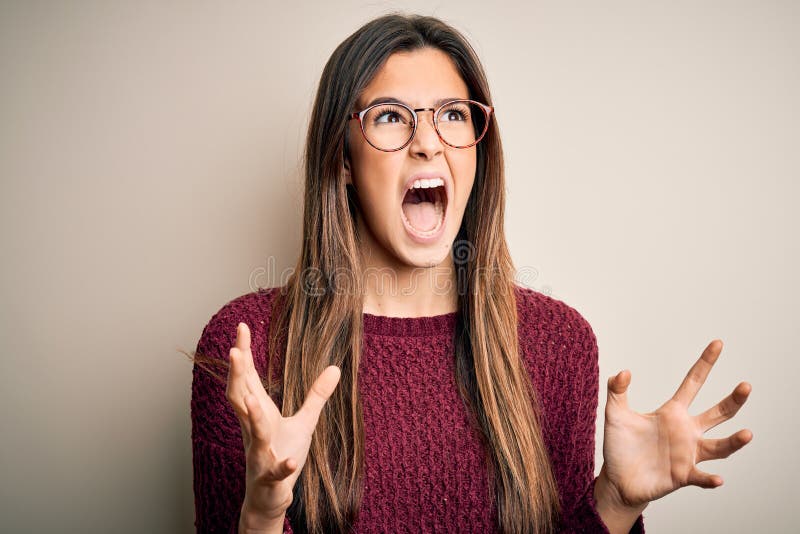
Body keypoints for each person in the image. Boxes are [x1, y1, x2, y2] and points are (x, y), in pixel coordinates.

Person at [189, 13, 753, 534]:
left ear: (478, 153)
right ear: (342, 160)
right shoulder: (249, 348)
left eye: (453, 115)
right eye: (390, 117)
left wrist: (616, 502)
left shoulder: (557, 345)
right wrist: (262, 512)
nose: (428, 142)